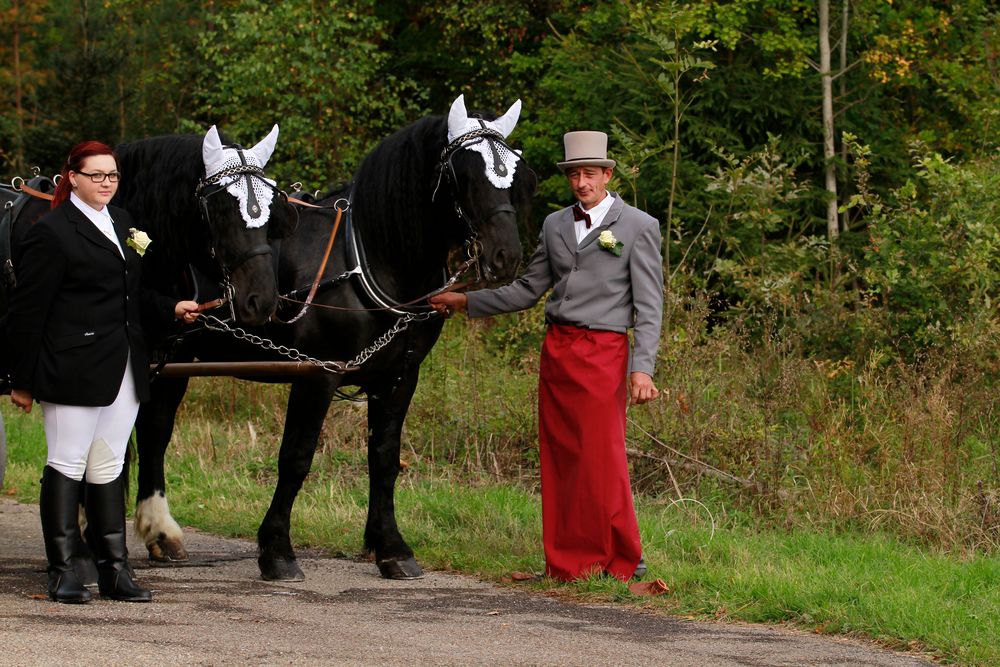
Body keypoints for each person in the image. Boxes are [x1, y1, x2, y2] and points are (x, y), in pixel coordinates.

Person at [430, 130, 664, 581]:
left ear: (607, 175)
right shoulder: (555, 224)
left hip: (605, 353)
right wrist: (469, 302)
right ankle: (567, 564)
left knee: (603, 457)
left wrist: (643, 369)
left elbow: (650, 306)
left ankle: (627, 562)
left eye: (590, 173)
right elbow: (528, 289)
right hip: (557, 352)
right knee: (560, 458)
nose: (582, 182)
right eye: (575, 174)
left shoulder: (638, 226)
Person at [8, 141, 200, 603]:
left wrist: (171, 306)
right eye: (95, 175)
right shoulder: (52, 232)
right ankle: (62, 571)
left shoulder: (125, 223)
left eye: (111, 175)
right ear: (72, 177)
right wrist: (22, 378)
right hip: (72, 367)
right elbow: (27, 311)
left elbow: (133, 294)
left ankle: (115, 570)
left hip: (124, 366)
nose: (105, 183)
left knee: (109, 466)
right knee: (67, 463)